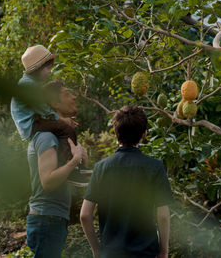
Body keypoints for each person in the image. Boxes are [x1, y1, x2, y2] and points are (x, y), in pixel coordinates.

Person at [80, 105, 174, 258]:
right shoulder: (154, 167)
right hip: (145, 253)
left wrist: (97, 250)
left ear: (115, 131)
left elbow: (85, 215)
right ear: (144, 134)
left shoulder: (101, 168)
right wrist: (164, 251)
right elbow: (163, 215)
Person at [25, 79, 88, 258]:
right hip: (46, 219)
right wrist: (74, 161)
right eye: (67, 94)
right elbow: (48, 182)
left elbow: (75, 174)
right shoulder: (46, 137)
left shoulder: (56, 136)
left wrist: (81, 156)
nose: (74, 96)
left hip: (52, 218)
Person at [11, 44, 88, 186]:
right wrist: (62, 120)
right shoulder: (29, 87)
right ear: (36, 69)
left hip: (34, 121)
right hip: (32, 124)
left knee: (64, 129)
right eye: (47, 68)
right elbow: (44, 110)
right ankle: (71, 168)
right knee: (66, 130)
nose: (50, 72)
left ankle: (75, 167)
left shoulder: (29, 84)